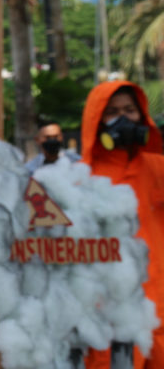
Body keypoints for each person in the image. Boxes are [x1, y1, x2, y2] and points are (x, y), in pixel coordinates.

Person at [81, 81, 164, 369]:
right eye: (112, 111)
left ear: (142, 116)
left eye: (130, 110)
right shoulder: (81, 178)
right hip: (109, 313)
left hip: (159, 307)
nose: (123, 118)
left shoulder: (157, 166)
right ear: (97, 120)